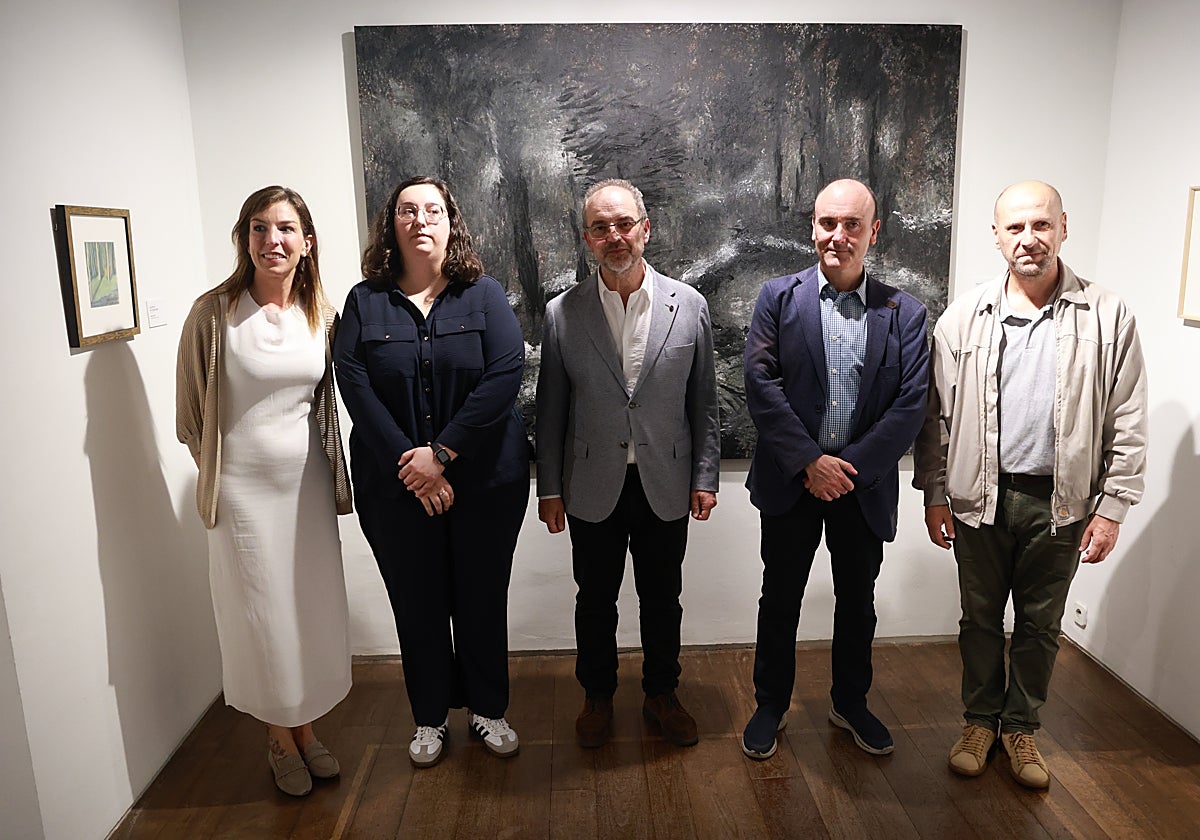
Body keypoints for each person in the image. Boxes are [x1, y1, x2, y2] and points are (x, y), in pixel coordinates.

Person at [914, 181, 1148, 789]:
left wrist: (1114, 506)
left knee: (1041, 625)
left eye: (1040, 225)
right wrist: (934, 491)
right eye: (1014, 228)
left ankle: (1021, 728)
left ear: (1064, 228)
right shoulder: (964, 316)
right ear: (996, 236)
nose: (1028, 239)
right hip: (978, 498)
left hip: (1061, 503)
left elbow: (1127, 416)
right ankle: (979, 722)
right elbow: (934, 416)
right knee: (980, 620)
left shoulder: (1108, 314)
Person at [333, 176, 528, 769]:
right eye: (407, 210)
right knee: (416, 602)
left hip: (485, 482)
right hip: (394, 488)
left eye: (433, 210)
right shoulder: (364, 302)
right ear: (391, 225)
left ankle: (489, 710)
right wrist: (412, 464)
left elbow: (504, 375)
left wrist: (440, 455)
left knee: (480, 597)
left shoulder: (485, 295)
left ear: (451, 222)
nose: (420, 220)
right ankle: (430, 718)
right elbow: (354, 382)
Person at [741, 178, 930, 760]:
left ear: (873, 233)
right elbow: (760, 385)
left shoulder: (906, 312)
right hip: (791, 484)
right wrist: (808, 463)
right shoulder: (778, 298)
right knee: (780, 598)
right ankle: (770, 704)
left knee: (858, 601)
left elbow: (910, 404)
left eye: (852, 225)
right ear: (813, 228)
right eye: (828, 223)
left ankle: (851, 702)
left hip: (861, 487)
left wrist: (842, 469)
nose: (838, 236)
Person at [176, 185, 353, 797]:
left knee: (305, 610)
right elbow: (189, 416)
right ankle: (278, 739)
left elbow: (326, 403)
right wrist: (220, 478)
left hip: (305, 489)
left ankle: (305, 728)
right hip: (242, 497)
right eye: (258, 228)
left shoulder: (321, 313)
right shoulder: (214, 313)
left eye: (284, 229)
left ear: (306, 243)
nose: (271, 241)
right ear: (243, 239)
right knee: (261, 617)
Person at [535, 178, 720, 748]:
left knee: (663, 599)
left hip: (665, 481)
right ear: (586, 238)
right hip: (592, 483)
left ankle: (662, 695)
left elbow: (704, 403)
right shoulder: (563, 313)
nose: (614, 237)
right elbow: (552, 413)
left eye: (623, 225)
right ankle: (597, 697)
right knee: (595, 600)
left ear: (645, 229)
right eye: (600, 227)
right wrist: (549, 489)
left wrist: (705, 477)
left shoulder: (689, 306)